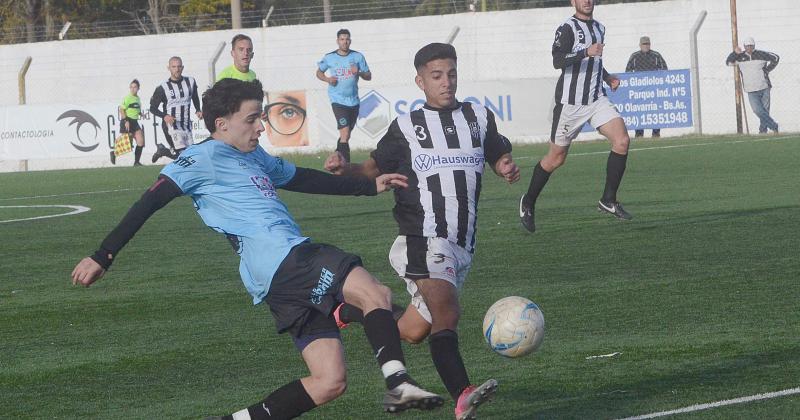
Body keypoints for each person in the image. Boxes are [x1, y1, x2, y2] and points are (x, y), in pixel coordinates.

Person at [71, 78, 444, 419]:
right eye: (251, 120)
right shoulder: (199, 159)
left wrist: (366, 185)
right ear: (222, 125)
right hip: (286, 258)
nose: (260, 127)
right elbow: (148, 202)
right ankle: (398, 383)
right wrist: (103, 255)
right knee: (374, 292)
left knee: (329, 381)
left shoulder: (255, 156)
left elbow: (304, 178)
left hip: (275, 281)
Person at [325, 43, 520, 420]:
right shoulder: (407, 127)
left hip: (463, 243)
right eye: (436, 76)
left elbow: (497, 152)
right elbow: (371, 169)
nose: (446, 82)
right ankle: (463, 395)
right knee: (447, 310)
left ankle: (347, 310)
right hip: (423, 237)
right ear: (420, 81)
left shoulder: (479, 117)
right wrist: (343, 168)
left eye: (451, 74)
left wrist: (505, 166)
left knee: (412, 331)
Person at [519, 0, 632, 233]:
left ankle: (608, 200)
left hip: (596, 99)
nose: (587, 1)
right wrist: (584, 52)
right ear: (573, 2)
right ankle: (528, 201)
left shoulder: (600, 28)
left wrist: (608, 78)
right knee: (556, 159)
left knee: (622, 140)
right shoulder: (567, 28)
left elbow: (596, 62)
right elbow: (557, 61)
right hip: (570, 104)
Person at [316, 29, 371, 163]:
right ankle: (346, 165)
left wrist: (358, 73)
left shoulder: (358, 56)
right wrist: (328, 79)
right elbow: (319, 73)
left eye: (347, 39)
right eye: (342, 39)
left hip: (353, 101)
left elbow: (368, 76)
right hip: (338, 100)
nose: (344, 42)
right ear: (337, 41)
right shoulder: (330, 57)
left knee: (345, 135)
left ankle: (337, 157)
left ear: (350, 41)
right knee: (345, 133)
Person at [150, 56, 202, 162]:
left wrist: (198, 109)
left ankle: (163, 150)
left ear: (182, 68)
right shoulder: (162, 88)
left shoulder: (190, 82)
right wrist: (164, 116)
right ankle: (164, 151)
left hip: (186, 126)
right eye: (173, 67)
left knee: (189, 156)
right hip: (171, 126)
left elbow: (195, 97)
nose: (177, 69)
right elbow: (152, 108)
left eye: (179, 66)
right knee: (183, 156)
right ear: (168, 68)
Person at [725, 36, 780, 134]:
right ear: (744, 46)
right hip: (751, 90)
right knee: (757, 111)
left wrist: (767, 70)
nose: (749, 48)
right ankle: (774, 125)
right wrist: (734, 53)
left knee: (765, 111)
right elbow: (728, 62)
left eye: (751, 46)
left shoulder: (761, 54)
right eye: (747, 46)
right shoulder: (739, 57)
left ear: (754, 45)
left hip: (764, 87)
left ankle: (763, 131)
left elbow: (776, 58)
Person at [626, 36, 668, 138]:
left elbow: (664, 69)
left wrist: (657, 80)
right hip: (639, 91)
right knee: (639, 111)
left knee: (655, 110)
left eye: (647, 44)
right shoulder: (635, 56)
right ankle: (639, 134)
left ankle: (656, 133)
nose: (646, 46)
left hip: (654, 90)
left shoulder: (656, 55)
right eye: (644, 44)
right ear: (640, 45)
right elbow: (627, 72)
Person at [115, 79, 145, 166]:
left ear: (138, 88)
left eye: (135, 87)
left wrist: (140, 113)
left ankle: (136, 162)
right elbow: (121, 109)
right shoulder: (128, 98)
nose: (132, 89)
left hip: (134, 122)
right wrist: (126, 121)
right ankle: (113, 153)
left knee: (140, 142)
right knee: (127, 144)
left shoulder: (137, 99)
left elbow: (136, 109)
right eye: (131, 87)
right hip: (127, 121)